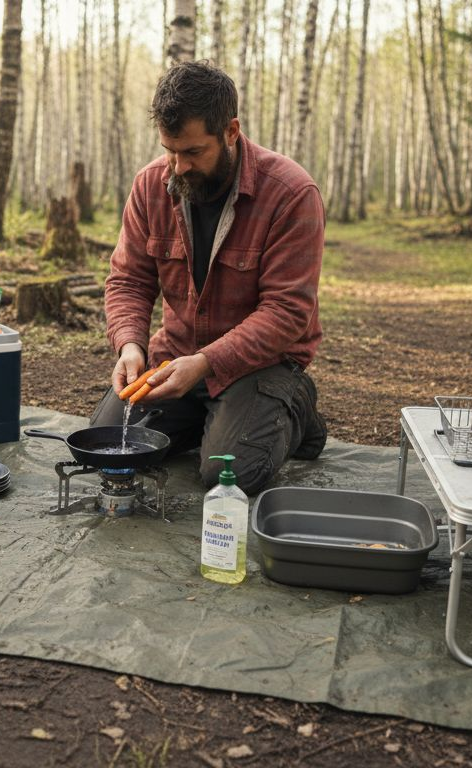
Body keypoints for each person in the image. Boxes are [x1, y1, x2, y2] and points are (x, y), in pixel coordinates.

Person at [90, 60, 327, 496]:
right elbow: (128, 280)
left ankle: (296, 411)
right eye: (169, 150)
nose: (178, 167)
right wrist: (130, 345)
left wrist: (205, 365)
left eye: (194, 152)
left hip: (261, 364)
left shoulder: (291, 194)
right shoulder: (149, 186)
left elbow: (287, 311)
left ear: (231, 131)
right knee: (111, 445)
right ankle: (215, 417)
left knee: (226, 475)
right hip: (176, 356)